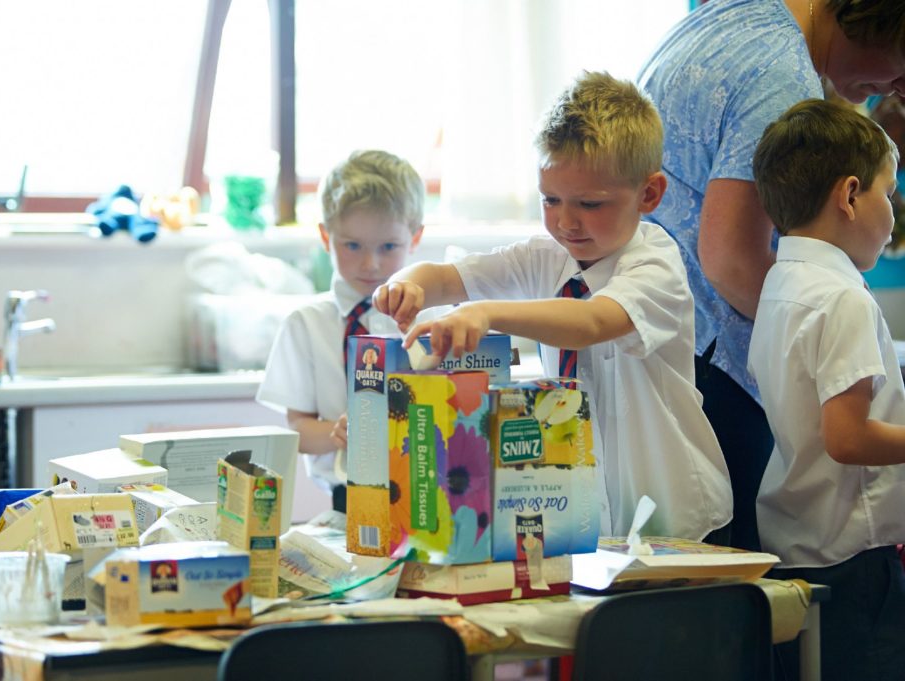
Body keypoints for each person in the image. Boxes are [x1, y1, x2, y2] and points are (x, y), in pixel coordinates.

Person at [373, 72, 732, 541]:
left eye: (590, 203)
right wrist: (406, 284)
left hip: (676, 520)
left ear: (649, 194)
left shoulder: (656, 264)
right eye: (550, 199)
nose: (566, 221)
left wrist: (486, 313)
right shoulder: (546, 257)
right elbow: (445, 278)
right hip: (589, 519)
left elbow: (591, 321)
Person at [637, 0, 905, 550]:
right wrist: (816, 350)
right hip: (709, 366)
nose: (899, 86)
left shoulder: (739, 15)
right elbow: (731, 259)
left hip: (662, 344)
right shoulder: (781, 72)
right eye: (902, 62)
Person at [747, 98, 905, 681]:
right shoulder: (841, 297)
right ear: (850, 195)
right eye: (888, 193)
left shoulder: (784, 280)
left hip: (799, 544)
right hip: (852, 553)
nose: (892, 211)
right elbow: (847, 436)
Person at [257, 150, 425, 513]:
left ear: (415, 238)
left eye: (389, 247)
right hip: (345, 507)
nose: (371, 263)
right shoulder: (306, 324)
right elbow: (297, 430)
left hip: (430, 498)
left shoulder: (436, 318)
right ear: (324, 237)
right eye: (352, 245)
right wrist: (339, 431)